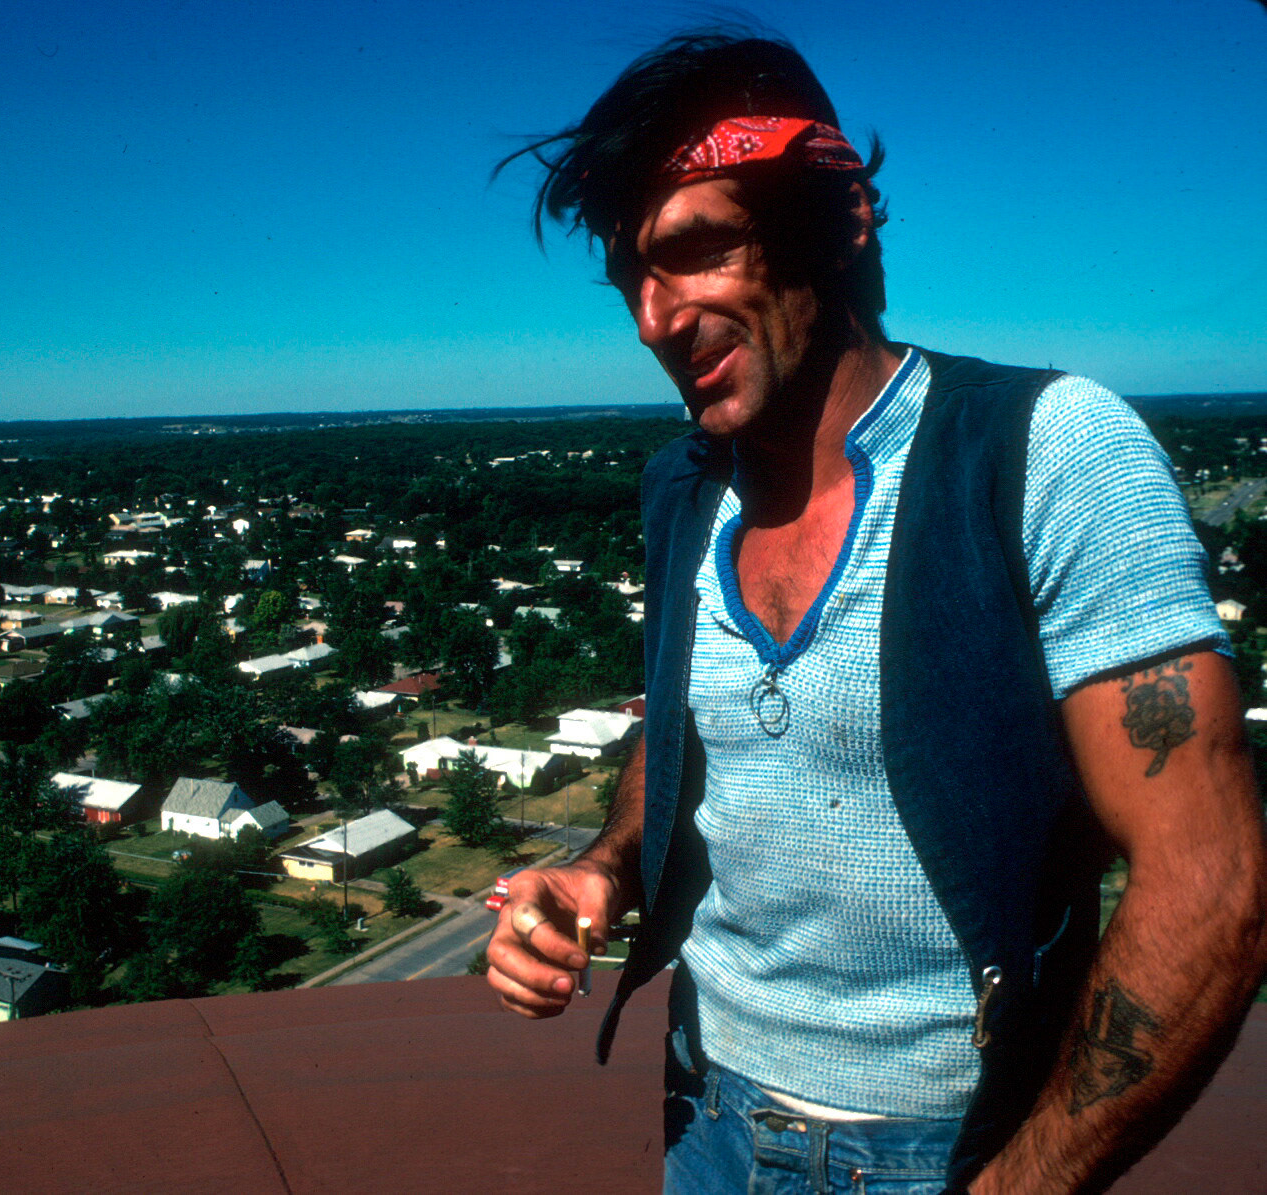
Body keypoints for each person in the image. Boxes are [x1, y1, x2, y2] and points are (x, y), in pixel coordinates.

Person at [484, 29, 1267, 1194]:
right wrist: (605, 870)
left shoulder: (1042, 453)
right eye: (630, 281)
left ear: (842, 215)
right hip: (704, 1115)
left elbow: (1213, 881)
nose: (654, 318)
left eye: (695, 251)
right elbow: (685, 721)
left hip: (946, 1148)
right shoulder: (683, 488)